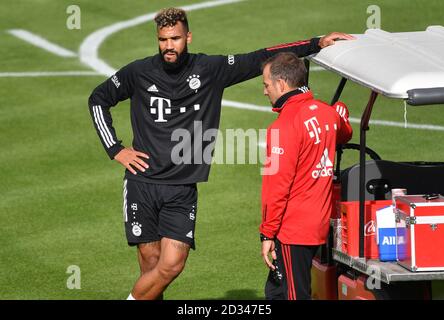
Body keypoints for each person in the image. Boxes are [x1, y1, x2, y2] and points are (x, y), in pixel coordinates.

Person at [88, 7, 353, 300]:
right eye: (162, 40)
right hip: (142, 184)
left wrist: (315, 43)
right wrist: (116, 149)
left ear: (188, 37)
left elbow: (259, 58)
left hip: (181, 189)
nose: (168, 46)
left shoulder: (210, 70)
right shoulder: (138, 72)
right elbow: (98, 99)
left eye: (175, 38)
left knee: (171, 266)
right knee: (152, 269)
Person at [259, 52, 353, 300]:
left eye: (266, 85)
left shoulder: (282, 126)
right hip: (318, 225)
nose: (265, 92)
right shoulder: (326, 113)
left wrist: (267, 233)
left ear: (281, 84)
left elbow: (276, 187)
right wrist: (340, 110)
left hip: (293, 230)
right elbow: (345, 132)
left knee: (292, 294)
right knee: (277, 291)